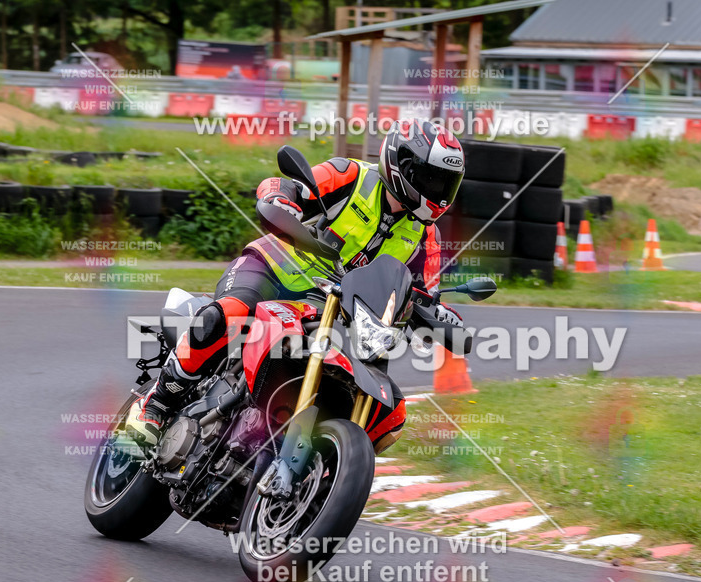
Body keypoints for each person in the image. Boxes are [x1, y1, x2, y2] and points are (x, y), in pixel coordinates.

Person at [126, 118, 466, 450]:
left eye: (446, 184)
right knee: (229, 313)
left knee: (383, 406)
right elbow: (285, 185)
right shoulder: (352, 176)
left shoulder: (427, 238)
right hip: (276, 270)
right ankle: (157, 403)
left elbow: (423, 293)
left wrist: (441, 315)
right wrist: (280, 198)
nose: (439, 193)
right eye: (432, 179)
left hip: (336, 311)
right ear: (402, 166)